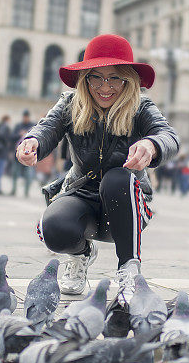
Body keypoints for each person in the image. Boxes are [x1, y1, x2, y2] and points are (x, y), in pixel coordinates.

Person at [16, 33, 179, 303]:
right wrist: (32, 141)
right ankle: (80, 255)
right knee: (53, 228)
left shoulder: (141, 107)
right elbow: (47, 128)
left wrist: (151, 145)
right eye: (96, 76)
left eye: (115, 77)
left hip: (126, 205)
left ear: (128, 80)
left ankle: (129, 269)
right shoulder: (70, 104)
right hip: (81, 196)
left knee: (116, 178)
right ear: (85, 78)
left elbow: (169, 136)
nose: (105, 87)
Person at [10, 110, 35, 197]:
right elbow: (12, 137)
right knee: (14, 173)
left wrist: (26, 134)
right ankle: (13, 190)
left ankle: (26, 192)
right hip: (17, 154)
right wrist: (19, 134)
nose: (25, 118)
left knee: (28, 175)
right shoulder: (18, 126)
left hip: (28, 154)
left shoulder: (33, 125)